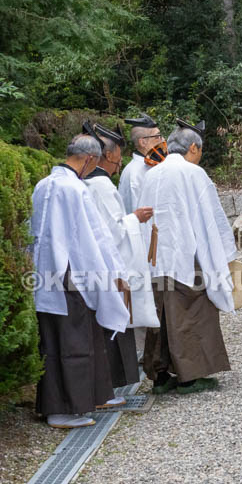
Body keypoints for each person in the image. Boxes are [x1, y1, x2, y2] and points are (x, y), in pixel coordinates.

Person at [30, 134, 131, 428]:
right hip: (71, 274)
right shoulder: (75, 188)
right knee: (74, 339)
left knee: (57, 338)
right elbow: (94, 236)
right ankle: (62, 409)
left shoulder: (43, 185)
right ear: (89, 159)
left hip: (43, 273)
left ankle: (81, 398)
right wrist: (115, 273)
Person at [137, 119, 236, 394]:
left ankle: (159, 375)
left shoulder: (152, 174)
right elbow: (211, 218)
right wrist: (223, 254)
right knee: (192, 312)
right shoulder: (193, 174)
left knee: (160, 312)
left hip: (155, 255)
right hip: (185, 253)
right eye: (199, 150)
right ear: (193, 147)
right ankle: (189, 376)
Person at [81, 122, 159, 393]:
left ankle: (109, 385)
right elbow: (112, 231)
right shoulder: (101, 185)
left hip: (95, 264)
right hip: (108, 265)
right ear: (109, 155)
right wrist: (135, 218)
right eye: (117, 155)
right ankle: (109, 386)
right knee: (113, 323)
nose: (120, 161)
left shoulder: (92, 182)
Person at [118, 113, 164, 213]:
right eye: (157, 137)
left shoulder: (148, 166)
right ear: (143, 142)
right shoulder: (136, 173)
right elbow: (139, 214)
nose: (162, 140)